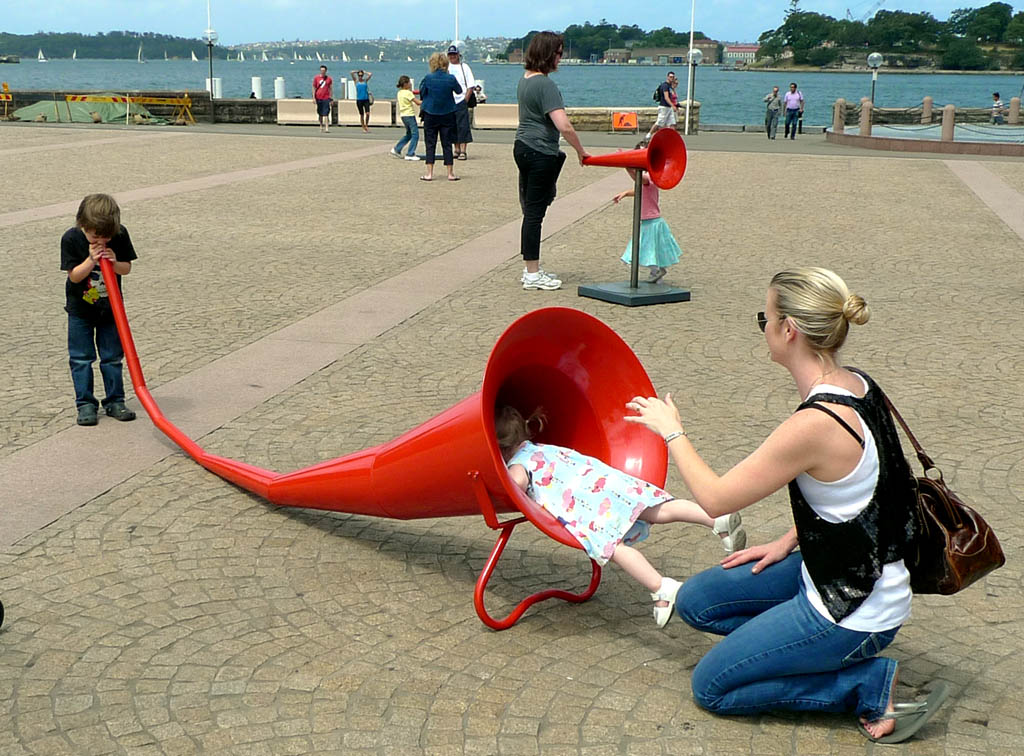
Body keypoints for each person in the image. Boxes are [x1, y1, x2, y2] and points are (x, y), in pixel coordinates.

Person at [624, 267, 951, 744]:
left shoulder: (814, 424)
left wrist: (671, 429)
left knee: (711, 686)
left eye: (765, 317)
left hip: (855, 610)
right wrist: (787, 539)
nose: (764, 328)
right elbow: (873, 490)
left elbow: (714, 498)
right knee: (695, 602)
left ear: (789, 330)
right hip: (834, 569)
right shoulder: (858, 383)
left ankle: (867, 683)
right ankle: (783, 647)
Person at [497, 405, 747, 627]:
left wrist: (498, 478)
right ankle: (715, 519)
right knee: (658, 508)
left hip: (589, 505)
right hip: (609, 484)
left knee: (613, 546)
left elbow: (514, 486)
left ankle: (661, 588)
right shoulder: (541, 448)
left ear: (502, 448)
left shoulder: (518, 463)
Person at [514, 31, 590, 291]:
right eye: (558, 52)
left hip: (522, 147)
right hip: (540, 151)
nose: (561, 57)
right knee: (535, 213)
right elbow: (564, 125)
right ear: (548, 54)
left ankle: (531, 269)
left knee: (531, 209)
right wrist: (581, 151)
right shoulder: (545, 85)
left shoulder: (525, 80)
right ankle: (532, 273)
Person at [60, 194, 138, 427]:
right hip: (80, 311)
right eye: (96, 237)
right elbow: (74, 276)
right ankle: (85, 404)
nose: (102, 242)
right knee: (81, 358)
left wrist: (114, 262)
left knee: (112, 357)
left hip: (111, 309)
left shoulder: (120, 234)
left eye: (107, 238)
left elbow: (126, 269)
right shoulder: (72, 238)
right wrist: (91, 260)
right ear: (83, 225)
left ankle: (115, 400)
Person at [612, 143, 682, 283]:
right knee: (652, 248)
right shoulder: (652, 178)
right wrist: (625, 193)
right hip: (652, 220)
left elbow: (639, 180)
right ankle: (656, 272)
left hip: (650, 220)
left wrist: (626, 164)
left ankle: (656, 271)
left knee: (646, 247)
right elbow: (641, 190)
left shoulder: (649, 177)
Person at [418, 52, 462, 182]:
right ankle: (450, 173)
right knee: (447, 143)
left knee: (430, 143)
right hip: (447, 113)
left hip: (430, 113)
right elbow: (459, 91)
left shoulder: (428, 78)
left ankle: (429, 173)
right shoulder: (451, 78)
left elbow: (422, 93)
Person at [446, 45, 475, 160]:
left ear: (458, 55)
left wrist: (465, 100)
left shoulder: (465, 67)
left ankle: (463, 150)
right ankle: (456, 149)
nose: (452, 56)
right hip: (449, 101)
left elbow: (470, 85)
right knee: (452, 126)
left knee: (463, 126)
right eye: (450, 54)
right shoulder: (446, 68)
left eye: (454, 54)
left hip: (461, 100)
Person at [391, 75, 421, 160]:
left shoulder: (400, 93)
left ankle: (397, 149)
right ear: (405, 84)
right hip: (409, 115)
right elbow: (417, 102)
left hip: (403, 115)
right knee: (415, 134)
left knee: (409, 134)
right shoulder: (408, 93)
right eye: (409, 82)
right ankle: (410, 153)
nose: (410, 84)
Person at [646, 71, 678, 140]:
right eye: (670, 77)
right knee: (659, 123)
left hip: (669, 108)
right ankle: (649, 134)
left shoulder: (670, 86)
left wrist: (675, 83)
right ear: (667, 77)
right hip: (664, 107)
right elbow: (666, 97)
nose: (672, 78)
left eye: (673, 77)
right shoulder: (665, 86)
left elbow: (673, 92)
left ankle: (672, 138)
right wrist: (673, 105)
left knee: (672, 123)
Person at [312, 64, 332, 133]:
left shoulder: (329, 79)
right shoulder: (316, 78)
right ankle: (321, 126)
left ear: (326, 71)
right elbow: (314, 88)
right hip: (318, 97)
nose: (322, 72)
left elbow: (330, 89)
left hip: (326, 98)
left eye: (324, 70)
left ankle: (327, 127)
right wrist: (313, 97)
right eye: (321, 70)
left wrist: (331, 98)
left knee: (326, 113)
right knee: (320, 113)